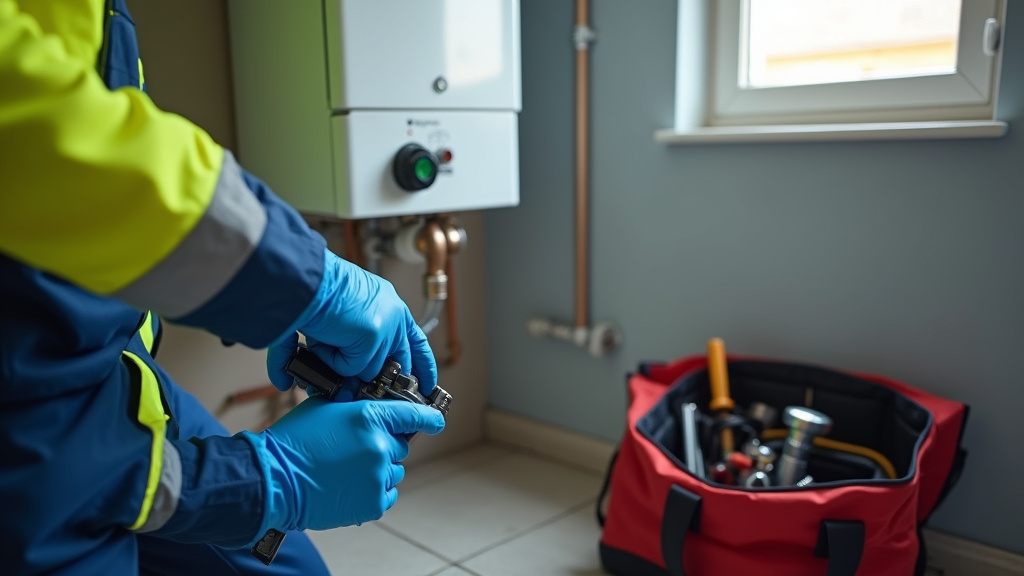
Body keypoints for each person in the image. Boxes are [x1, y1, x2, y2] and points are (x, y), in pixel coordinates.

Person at [0, 1, 445, 574]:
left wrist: (303, 286)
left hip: (101, 370)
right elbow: (39, 133)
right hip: (31, 433)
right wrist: (258, 482)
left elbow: (97, 137)